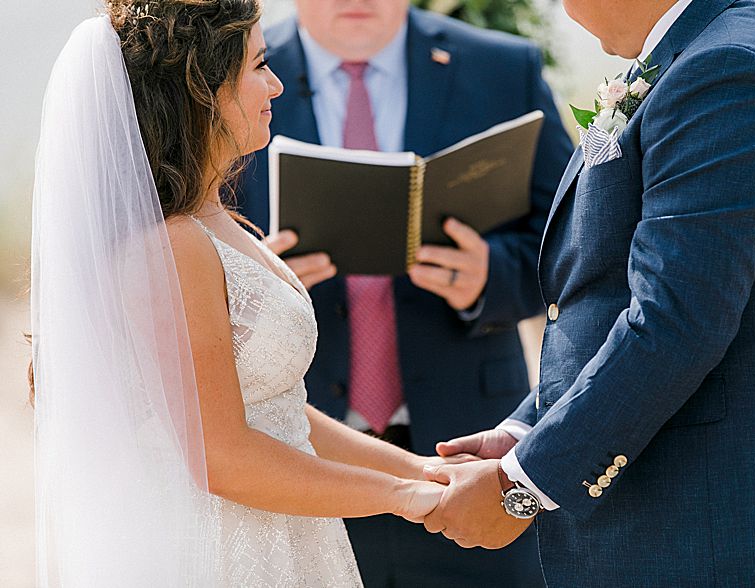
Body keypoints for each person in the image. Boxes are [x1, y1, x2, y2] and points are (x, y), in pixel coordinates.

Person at [422, 0, 755, 585]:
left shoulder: (729, 72)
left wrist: (522, 486)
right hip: (705, 514)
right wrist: (527, 431)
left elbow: (674, 323)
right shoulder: (703, 51)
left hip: (734, 520)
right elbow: (621, 294)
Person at [30, 2, 446, 585]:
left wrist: (422, 471)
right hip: (224, 552)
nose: (275, 84)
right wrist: (403, 497)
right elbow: (220, 456)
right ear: (200, 86)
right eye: (258, 65)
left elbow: (275, 408)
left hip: (289, 537)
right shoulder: (170, 246)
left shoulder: (214, 219)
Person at [233, 0, 573, 584]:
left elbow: (576, 240)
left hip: (468, 466)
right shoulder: (233, 74)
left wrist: (490, 275)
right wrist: (253, 278)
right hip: (294, 464)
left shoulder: (500, 68)